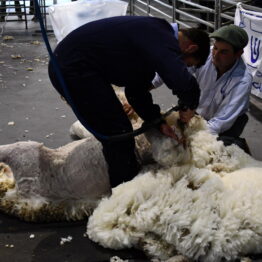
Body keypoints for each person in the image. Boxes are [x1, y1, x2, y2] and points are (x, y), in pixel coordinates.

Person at [48, 16, 210, 187]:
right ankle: (124, 193)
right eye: (185, 62)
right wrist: (189, 104)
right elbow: (178, 77)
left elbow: (135, 91)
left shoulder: (153, 38)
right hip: (72, 68)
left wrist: (158, 122)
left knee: (117, 130)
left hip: (76, 66)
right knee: (117, 132)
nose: (181, 64)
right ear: (191, 48)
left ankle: (123, 179)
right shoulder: (161, 35)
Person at [152, 24, 252, 152]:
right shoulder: (206, 55)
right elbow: (174, 68)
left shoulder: (242, 81)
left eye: (224, 52)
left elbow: (221, 121)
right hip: (197, 112)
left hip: (227, 122)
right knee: (168, 135)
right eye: (215, 48)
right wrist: (149, 86)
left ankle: (239, 144)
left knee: (218, 150)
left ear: (238, 53)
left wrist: (193, 136)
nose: (216, 54)